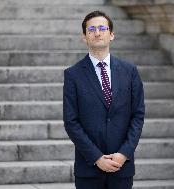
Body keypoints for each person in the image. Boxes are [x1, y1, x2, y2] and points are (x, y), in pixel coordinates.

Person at [63, 10, 145, 189]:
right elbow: (71, 121)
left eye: (102, 28)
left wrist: (124, 153)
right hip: (89, 168)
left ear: (112, 34)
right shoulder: (72, 75)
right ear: (84, 37)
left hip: (121, 167)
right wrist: (96, 158)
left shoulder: (129, 72)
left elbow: (138, 116)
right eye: (91, 29)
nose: (97, 33)